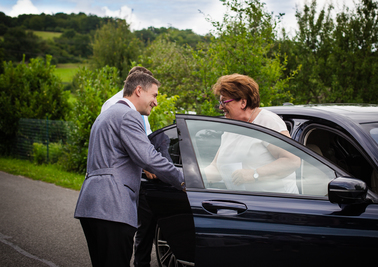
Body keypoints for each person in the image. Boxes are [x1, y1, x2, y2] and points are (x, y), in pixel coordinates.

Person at [74, 71, 185, 267]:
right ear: (139, 90)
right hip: (112, 207)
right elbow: (149, 158)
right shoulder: (128, 115)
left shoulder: (106, 114)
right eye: (154, 95)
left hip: (91, 205)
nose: (156, 102)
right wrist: (183, 178)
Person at [100, 66, 159, 267]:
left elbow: (145, 137)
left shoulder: (138, 109)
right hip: (122, 179)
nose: (154, 99)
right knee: (126, 229)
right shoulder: (115, 105)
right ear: (138, 87)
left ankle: (141, 262)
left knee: (145, 221)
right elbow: (124, 143)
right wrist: (147, 164)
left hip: (139, 173)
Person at [204, 73, 300, 193]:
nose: (220, 107)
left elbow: (292, 161)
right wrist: (190, 177)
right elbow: (216, 168)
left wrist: (255, 174)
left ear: (243, 103)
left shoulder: (267, 121)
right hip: (245, 205)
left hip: (276, 205)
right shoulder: (232, 127)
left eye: (225, 102)